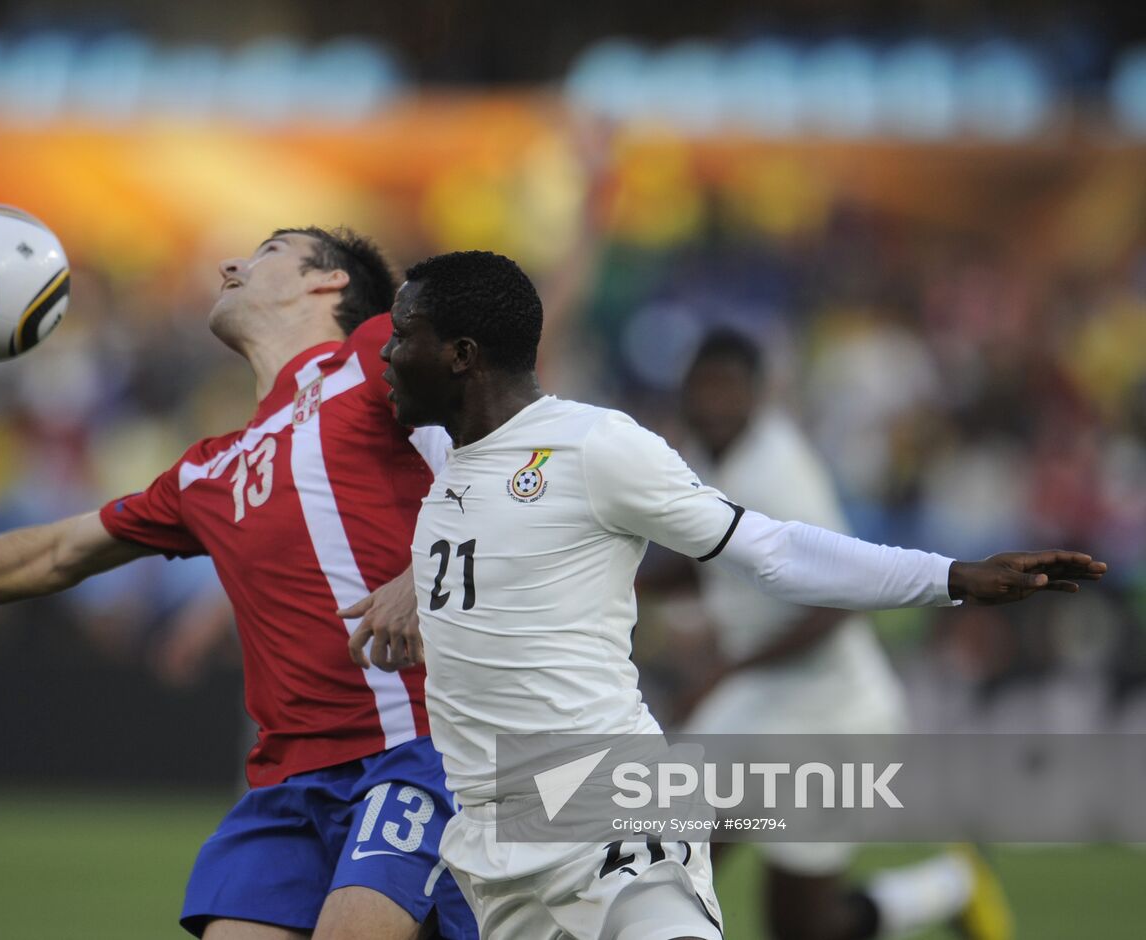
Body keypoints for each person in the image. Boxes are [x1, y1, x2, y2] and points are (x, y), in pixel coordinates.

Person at [377, 249, 1105, 940]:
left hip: (628, 799)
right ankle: (944, 886)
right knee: (802, 923)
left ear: (462, 355)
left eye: (402, 336)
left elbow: (779, 554)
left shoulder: (597, 446)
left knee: (785, 911)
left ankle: (938, 883)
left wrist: (951, 577)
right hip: (495, 838)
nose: (383, 354)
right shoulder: (450, 458)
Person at [0, 227, 477, 940]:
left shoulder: (378, 352)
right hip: (288, 786)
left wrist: (421, 570)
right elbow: (60, 551)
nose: (232, 265)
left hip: (417, 746)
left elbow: (524, 439)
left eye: (269, 251)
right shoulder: (208, 470)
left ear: (327, 282)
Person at [676, 327, 1008, 940]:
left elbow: (836, 606)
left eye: (728, 388)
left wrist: (724, 670)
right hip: (759, 707)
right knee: (669, 860)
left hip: (833, 718)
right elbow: (702, 556)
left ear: (759, 396)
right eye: (704, 387)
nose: (714, 402)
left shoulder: (777, 471)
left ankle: (949, 885)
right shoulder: (702, 456)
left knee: (801, 927)